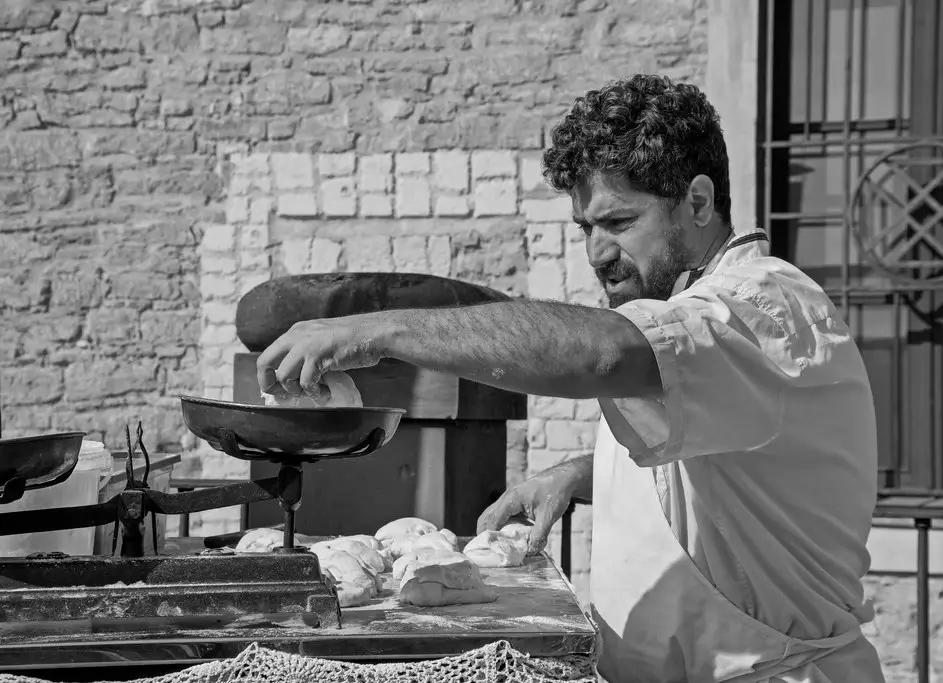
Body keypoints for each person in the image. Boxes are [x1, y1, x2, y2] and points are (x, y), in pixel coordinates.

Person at [256, 74, 886, 683]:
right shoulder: (694, 319)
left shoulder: (762, 307)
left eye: (618, 223)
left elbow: (605, 356)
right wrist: (583, 475)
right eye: (586, 227)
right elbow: (727, 456)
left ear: (698, 201)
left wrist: (376, 331)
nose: (597, 254)